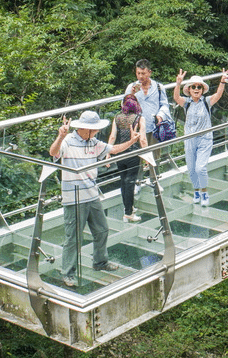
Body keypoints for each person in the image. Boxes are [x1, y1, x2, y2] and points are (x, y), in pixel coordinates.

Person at [49, 110, 141, 288]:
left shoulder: (93, 142)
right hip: (74, 197)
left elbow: (112, 149)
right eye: (95, 129)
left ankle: (100, 262)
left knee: (102, 230)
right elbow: (53, 153)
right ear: (85, 129)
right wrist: (60, 136)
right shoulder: (68, 141)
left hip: (91, 194)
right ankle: (68, 273)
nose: (97, 132)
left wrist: (132, 141)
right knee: (73, 237)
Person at [173, 70, 228, 206]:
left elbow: (218, 95)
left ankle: (204, 192)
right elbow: (176, 97)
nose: (196, 89)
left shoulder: (206, 101)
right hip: (190, 139)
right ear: (189, 89)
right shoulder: (187, 102)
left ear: (203, 89)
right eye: (194, 87)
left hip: (205, 138)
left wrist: (222, 81)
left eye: (199, 87)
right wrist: (178, 83)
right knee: (191, 169)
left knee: (200, 168)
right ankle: (196, 191)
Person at [107, 94, 147, 222]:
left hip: (120, 153)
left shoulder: (117, 118)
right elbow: (143, 139)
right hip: (133, 154)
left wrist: (108, 153)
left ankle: (128, 208)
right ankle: (128, 213)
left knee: (123, 182)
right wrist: (146, 157)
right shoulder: (139, 118)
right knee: (130, 183)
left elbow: (113, 137)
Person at [125, 59, 172, 155]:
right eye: (138, 73)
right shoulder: (131, 87)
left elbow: (164, 105)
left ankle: (153, 170)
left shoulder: (159, 87)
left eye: (143, 73)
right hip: (137, 129)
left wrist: (160, 115)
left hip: (154, 127)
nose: (140, 76)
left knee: (154, 158)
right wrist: (132, 94)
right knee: (138, 159)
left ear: (149, 72)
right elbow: (124, 108)